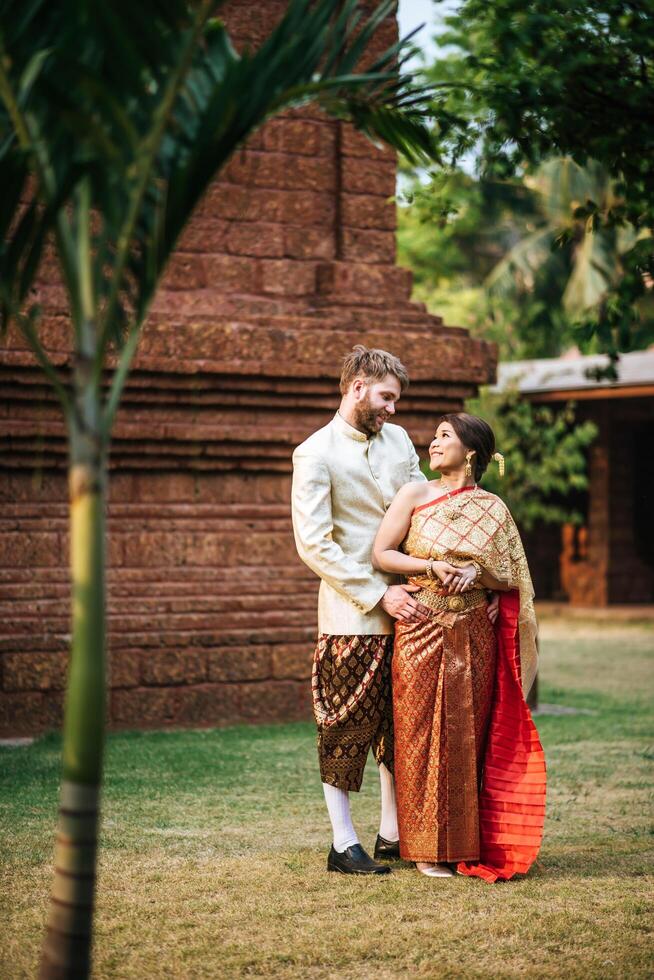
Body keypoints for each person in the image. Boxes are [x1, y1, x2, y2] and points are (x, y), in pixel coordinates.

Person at [372, 412, 546, 881]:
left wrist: (481, 578)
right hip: (422, 622)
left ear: (470, 451)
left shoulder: (493, 507)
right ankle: (426, 848)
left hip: (474, 632)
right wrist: (430, 563)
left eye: (444, 436)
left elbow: (511, 575)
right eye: (434, 436)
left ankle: (465, 843)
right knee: (420, 732)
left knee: (469, 735)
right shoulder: (414, 494)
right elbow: (382, 553)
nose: (433, 443)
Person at [291, 345, 433, 875]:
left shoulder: (397, 441)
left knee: (401, 728)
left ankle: (393, 834)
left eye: (397, 400)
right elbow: (314, 544)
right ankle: (343, 843)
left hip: (417, 610)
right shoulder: (315, 453)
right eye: (387, 397)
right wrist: (379, 594)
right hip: (353, 617)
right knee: (346, 726)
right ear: (357, 387)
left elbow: (423, 506)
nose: (394, 410)